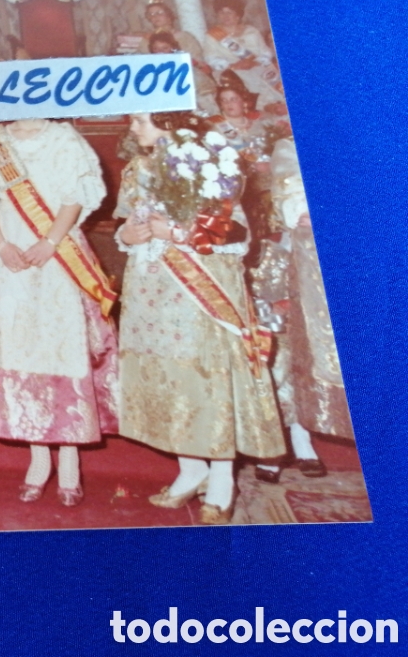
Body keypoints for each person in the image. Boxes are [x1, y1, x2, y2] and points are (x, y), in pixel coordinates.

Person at [115, 112, 284, 523]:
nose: (133, 128)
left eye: (141, 120)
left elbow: (236, 231)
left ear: (169, 120)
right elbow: (125, 221)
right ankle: (191, 471)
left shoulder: (208, 160)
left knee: (205, 378)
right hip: (150, 291)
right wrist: (126, 235)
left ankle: (222, 480)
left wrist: (176, 234)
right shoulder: (136, 167)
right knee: (168, 378)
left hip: (198, 290)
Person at [0, 120, 118, 506]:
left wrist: (50, 241)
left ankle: (70, 460)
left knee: (60, 353)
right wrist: (0, 245)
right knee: (23, 354)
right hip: (8, 258)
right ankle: (38, 459)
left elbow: (74, 196)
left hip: (57, 254)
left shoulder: (64, 138)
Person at [253, 138, 352, 482]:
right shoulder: (271, 242)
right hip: (273, 308)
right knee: (276, 363)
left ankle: (301, 439)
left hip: (314, 305)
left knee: (306, 364)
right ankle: (272, 447)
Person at [211, 74, 279, 266]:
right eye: (224, 101)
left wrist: (270, 163)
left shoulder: (262, 124)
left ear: (244, 102)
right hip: (234, 186)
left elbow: (275, 151)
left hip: (265, 181)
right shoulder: (214, 127)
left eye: (233, 99)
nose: (229, 104)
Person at [202, 0, 283, 111]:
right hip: (230, 72)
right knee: (244, 78)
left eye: (229, 12)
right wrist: (233, 65)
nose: (225, 16)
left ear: (238, 15)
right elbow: (211, 58)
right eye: (221, 12)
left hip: (257, 66)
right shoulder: (212, 36)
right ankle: (266, 106)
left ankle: (280, 104)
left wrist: (254, 63)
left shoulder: (252, 31)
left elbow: (266, 53)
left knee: (272, 78)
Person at [148, 30, 217, 115]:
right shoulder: (148, 71)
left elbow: (205, 89)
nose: (160, 52)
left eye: (165, 48)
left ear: (173, 48)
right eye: (156, 49)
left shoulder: (186, 67)